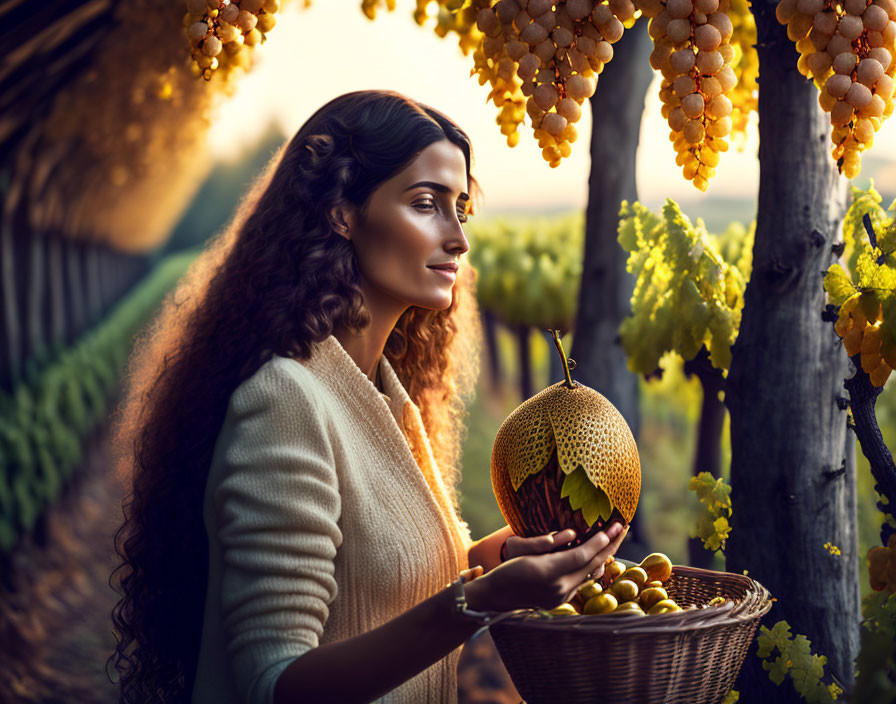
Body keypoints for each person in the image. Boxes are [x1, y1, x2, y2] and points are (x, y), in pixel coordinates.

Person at [107, 89, 628, 704]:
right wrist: (482, 601)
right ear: (341, 213)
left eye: (460, 208)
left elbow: (378, 581)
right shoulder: (285, 401)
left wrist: (498, 556)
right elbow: (278, 685)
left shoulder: (382, 392)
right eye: (426, 204)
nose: (459, 238)